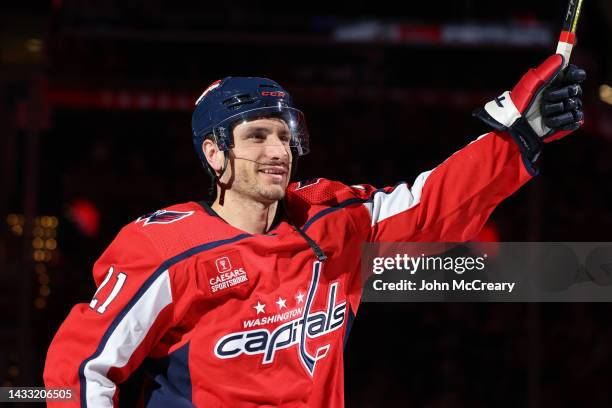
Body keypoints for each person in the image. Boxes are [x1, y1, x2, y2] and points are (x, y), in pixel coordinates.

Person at [44, 54, 585, 407]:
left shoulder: (331, 221)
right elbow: (78, 372)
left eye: (284, 135)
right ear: (214, 154)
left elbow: (431, 206)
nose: (278, 151)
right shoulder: (165, 248)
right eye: (256, 136)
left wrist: (517, 135)